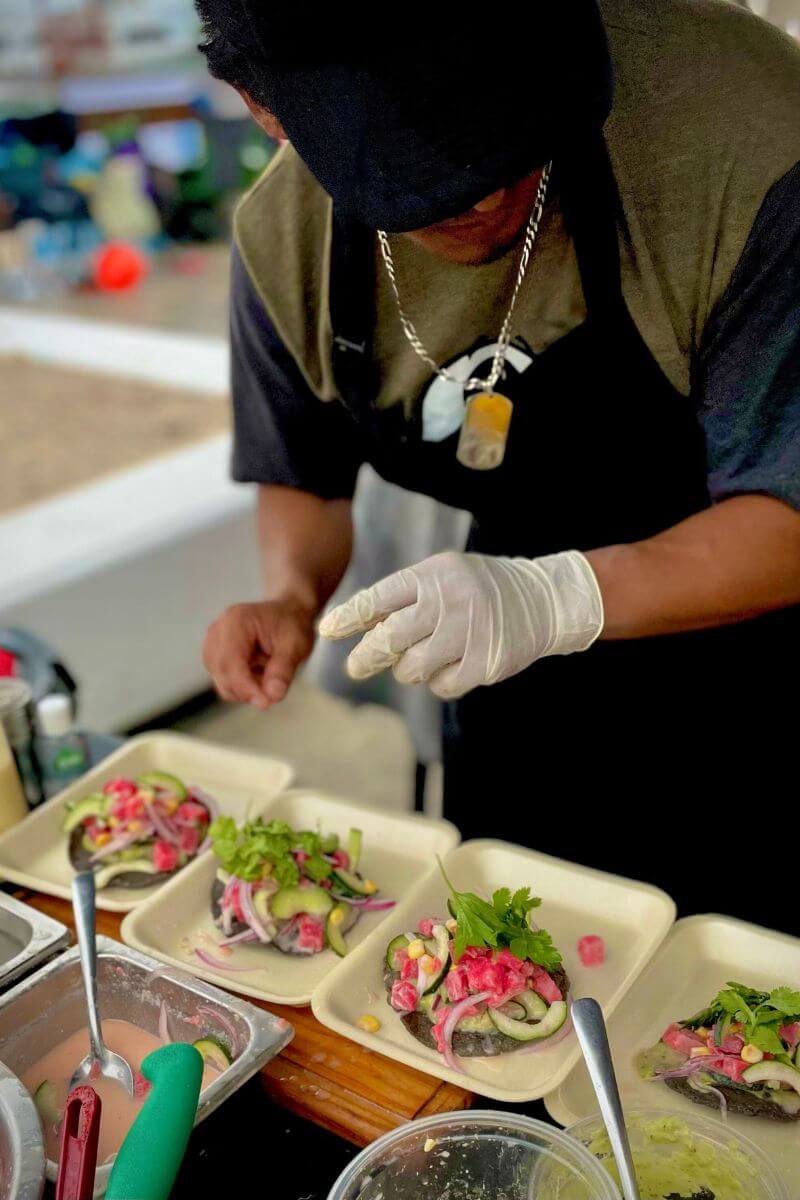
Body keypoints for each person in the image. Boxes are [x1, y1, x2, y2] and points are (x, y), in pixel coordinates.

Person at [199, 1, 800, 932]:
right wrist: (288, 594)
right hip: (515, 684)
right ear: (264, 107)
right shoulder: (287, 238)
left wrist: (556, 598)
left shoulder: (745, 140)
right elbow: (305, 470)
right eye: (422, 173)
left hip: (766, 674)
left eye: (504, 131)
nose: (482, 196)